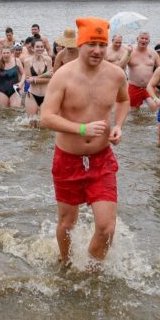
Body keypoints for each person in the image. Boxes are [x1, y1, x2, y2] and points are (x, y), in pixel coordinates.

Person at [41, 16, 129, 266]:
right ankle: (67, 264)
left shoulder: (115, 74)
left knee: (106, 228)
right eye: (92, 44)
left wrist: (119, 126)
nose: (98, 51)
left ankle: (90, 272)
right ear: (80, 44)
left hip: (101, 159)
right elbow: (46, 117)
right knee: (67, 224)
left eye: (102, 45)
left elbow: (123, 101)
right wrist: (82, 129)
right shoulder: (63, 76)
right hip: (68, 159)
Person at [127, 31, 160, 111]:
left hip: (149, 86)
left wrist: (158, 83)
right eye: (142, 38)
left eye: (146, 39)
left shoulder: (153, 53)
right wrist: (128, 53)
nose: (144, 40)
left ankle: (151, 124)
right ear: (137, 39)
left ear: (149, 41)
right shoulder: (130, 52)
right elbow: (121, 66)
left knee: (154, 109)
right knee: (134, 112)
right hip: (134, 86)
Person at [23, 39, 53, 127]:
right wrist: (44, 76)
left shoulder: (48, 60)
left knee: (44, 124)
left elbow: (50, 79)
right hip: (32, 95)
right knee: (31, 125)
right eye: (37, 47)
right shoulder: (27, 61)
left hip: (45, 95)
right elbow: (28, 80)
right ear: (32, 48)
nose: (40, 49)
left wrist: (35, 79)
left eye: (42, 47)